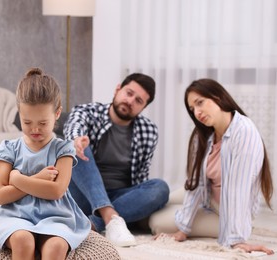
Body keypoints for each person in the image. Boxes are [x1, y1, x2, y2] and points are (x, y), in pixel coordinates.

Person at [150, 78, 274, 255]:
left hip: (222, 209)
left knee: (156, 221)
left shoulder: (244, 132)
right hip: (206, 194)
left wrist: (236, 239)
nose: (197, 112)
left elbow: (237, 191)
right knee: (158, 201)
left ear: (218, 97)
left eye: (200, 103)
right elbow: (196, 183)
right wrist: (183, 230)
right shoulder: (205, 135)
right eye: (193, 109)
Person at [0, 68, 91, 260]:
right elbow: (1, 196)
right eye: (27, 122)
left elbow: (56, 191)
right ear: (19, 113)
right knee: (22, 240)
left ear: (57, 113)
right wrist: (38, 179)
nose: (35, 129)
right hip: (15, 216)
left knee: (56, 246)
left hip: (56, 217)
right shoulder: (9, 148)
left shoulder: (63, 149)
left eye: (43, 123)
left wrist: (17, 179)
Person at [63, 73, 170, 247]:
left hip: (119, 195)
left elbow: (141, 176)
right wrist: (76, 140)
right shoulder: (88, 111)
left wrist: (141, 203)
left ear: (142, 108)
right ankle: (110, 218)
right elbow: (74, 127)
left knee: (160, 188)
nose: (130, 101)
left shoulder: (149, 131)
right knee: (74, 147)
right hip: (83, 193)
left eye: (138, 101)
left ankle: (95, 221)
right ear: (118, 89)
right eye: (129, 93)